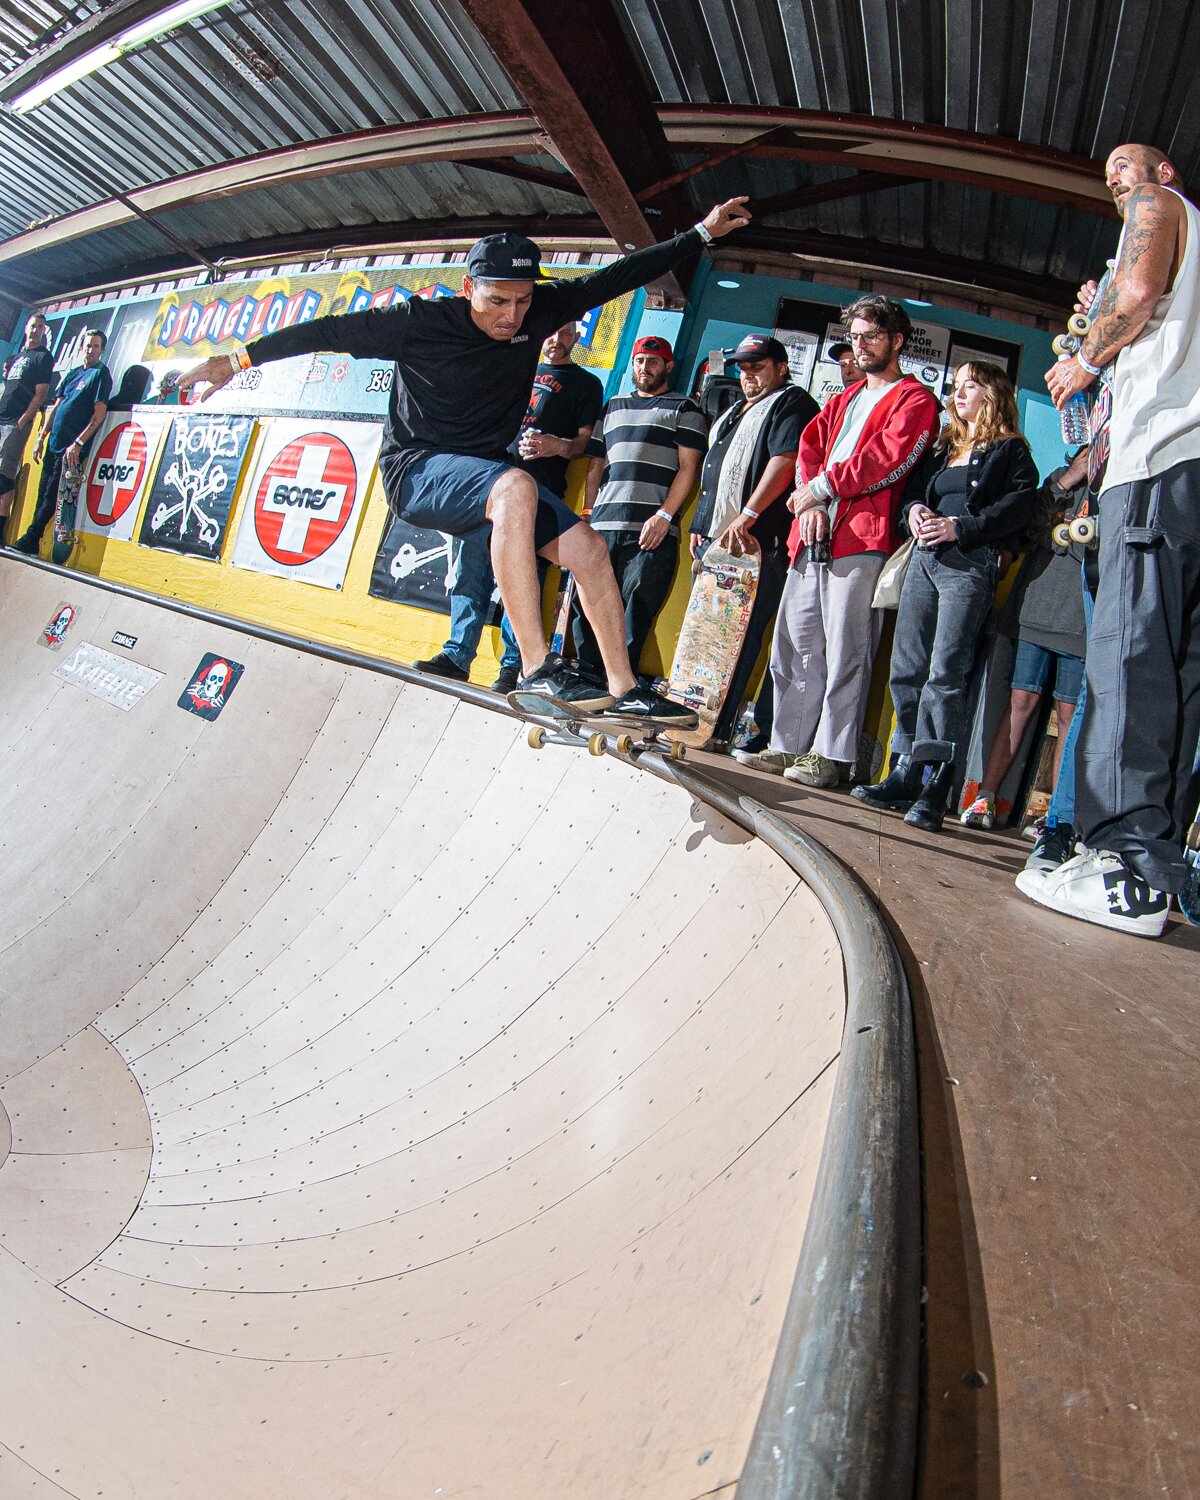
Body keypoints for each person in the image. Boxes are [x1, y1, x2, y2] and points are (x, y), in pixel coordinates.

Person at [180, 198, 752, 726]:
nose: (512, 316)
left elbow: (616, 277)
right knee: (515, 486)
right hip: (417, 471)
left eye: (522, 301)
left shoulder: (538, 311)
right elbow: (326, 330)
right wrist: (235, 361)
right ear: (468, 287)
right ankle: (536, 669)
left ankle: (622, 689)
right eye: (497, 301)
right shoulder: (418, 322)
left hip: (483, 477)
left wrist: (701, 233)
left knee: (588, 549)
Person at [1025, 142, 1200, 936]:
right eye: (1111, 178)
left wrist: (1087, 358)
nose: (1116, 182)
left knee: (1129, 657)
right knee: (1179, 674)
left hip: (1159, 462)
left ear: (1164, 171)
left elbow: (1137, 290)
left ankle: (1125, 866)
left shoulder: (1157, 207)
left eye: (1126, 167)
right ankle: (1158, 865)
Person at [740, 296, 941, 787]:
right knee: (793, 642)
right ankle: (786, 744)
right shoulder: (844, 398)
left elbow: (888, 459)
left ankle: (830, 755)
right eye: (854, 336)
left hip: (862, 538)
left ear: (897, 340)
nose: (861, 345)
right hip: (808, 535)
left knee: (847, 649)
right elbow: (809, 447)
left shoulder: (915, 400)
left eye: (871, 335)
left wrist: (824, 488)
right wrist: (810, 504)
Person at [852, 362, 1038, 830]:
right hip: (924, 560)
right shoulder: (944, 446)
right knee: (907, 666)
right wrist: (915, 511)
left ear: (993, 394)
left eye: (969, 386)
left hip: (968, 565)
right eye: (955, 387)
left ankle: (936, 782)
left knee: (945, 672)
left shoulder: (1010, 450)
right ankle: (904, 769)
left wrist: (963, 526)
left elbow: (1020, 506)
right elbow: (913, 492)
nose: (958, 394)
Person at [414, 321, 603, 692]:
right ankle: (456, 656)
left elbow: (583, 445)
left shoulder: (587, 384)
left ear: (578, 337)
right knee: (470, 574)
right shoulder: (516, 365)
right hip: (485, 486)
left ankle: (513, 667)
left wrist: (556, 445)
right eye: (552, 331)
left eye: (566, 333)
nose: (557, 339)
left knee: (523, 582)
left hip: (537, 497)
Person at [687, 333, 818, 748]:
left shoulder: (792, 402)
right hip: (716, 540)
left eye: (757, 367)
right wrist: (702, 522)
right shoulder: (734, 409)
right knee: (701, 634)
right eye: (743, 367)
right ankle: (691, 718)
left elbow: (786, 459)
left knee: (737, 638)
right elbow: (717, 469)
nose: (748, 375)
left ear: (781, 368)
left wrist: (749, 514)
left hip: (755, 543)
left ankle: (717, 728)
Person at [960, 448, 1089, 838]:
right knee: (1021, 700)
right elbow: (1029, 524)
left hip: (1081, 618)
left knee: (1068, 714)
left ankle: (1056, 816)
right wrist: (1070, 478)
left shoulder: (1118, 488)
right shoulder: (1060, 479)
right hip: (1035, 607)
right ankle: (986, 795)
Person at [573, 334, 705, 676]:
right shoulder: (613, 405)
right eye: (640, 361)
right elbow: (596, 464)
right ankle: (585, 680)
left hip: (650, 531)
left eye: (653, 362)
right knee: (587, 607)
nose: (645, 368)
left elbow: (688, 469)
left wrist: (664, 516)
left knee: (635, 612)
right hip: (603, 524)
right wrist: (587, 513)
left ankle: (619, 686)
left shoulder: (685, 409)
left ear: (668, 366)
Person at [13, 329, 112, 555]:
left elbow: (99, 414)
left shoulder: (100, 374)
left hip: (70, 446)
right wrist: (41, 436)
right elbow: (56, 407)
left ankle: (33, 536)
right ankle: (31, 542)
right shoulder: (73, 373)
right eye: (88, 345)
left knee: (53, 495)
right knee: (43, 491)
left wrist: (78, 443)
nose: (91, 350)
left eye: (96, 346)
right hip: (53, 441)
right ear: (82, 347)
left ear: (102, 350)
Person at [0, 312, 54, 539]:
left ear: (43, 331)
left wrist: (24, 419)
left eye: (40, 327)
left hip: (16, 422)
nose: (35, 330)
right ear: (26, 328)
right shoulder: (19, 356)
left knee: (4, 475)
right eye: (33, 325)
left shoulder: (43, 357)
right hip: (2, 416)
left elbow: (41, 394)